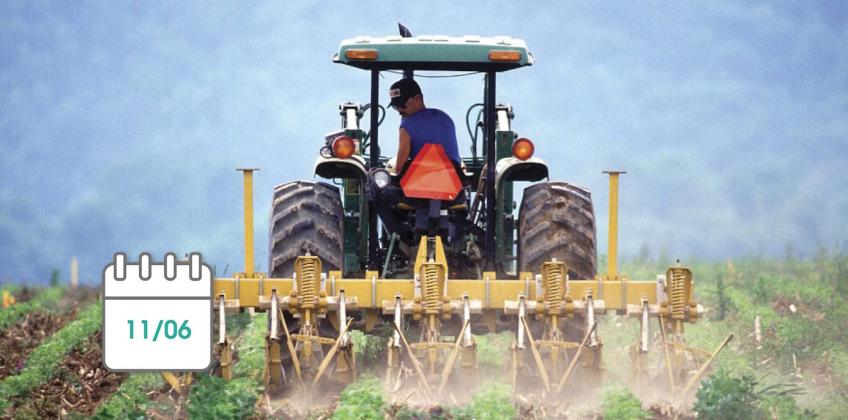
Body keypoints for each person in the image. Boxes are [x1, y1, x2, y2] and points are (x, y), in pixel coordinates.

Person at [388, 78, 460, 175]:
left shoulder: (406, 126)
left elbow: (400, 170)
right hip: (454, 182)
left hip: (421, 185)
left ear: (418, 98)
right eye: (395, 106)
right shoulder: (446, 118)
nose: (400, 110)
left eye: (402, 104)